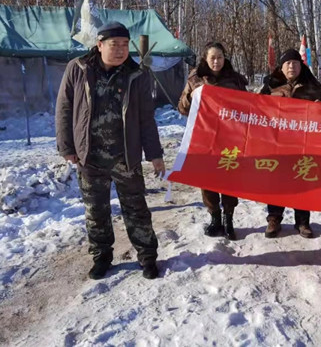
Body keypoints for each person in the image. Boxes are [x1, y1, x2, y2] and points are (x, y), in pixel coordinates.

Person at [56, 21, 165, 280]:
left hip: (125, 156)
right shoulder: (78, 69)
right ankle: (101, 257)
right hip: (89, 156)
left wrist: (155, 154)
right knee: (96, 212)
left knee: (136, 209)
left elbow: (146, 118)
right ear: (99, 45)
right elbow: (64, 108)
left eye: (125, 45)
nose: (120, 50)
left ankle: (147, 257)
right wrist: (67, 146)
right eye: (114, 44)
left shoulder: (137, 75)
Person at [178, 41, 248, 240]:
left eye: (220, 57)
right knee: (207, 179)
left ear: (225, 58)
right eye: (212, 58)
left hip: (230, 137)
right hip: (205, 137)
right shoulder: (195, 79)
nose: (216, 61)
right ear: (205, 59)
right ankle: (215, 217)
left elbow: (249, 106)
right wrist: (191, 97)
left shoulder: (235, 80)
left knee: (229, 178)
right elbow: (182, 108)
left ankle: (229, 218)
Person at [260, 48, 321, 238]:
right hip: (277, 143)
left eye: (295, 63)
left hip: (303, 144)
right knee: (276, 182)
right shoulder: (270, 87)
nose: (291, 67)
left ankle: (303, 222)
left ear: (301, 66)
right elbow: (257, 110)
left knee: (302, 181)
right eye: (288, 63)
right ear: (281, 67)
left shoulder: (312, 87)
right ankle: (274, 219)